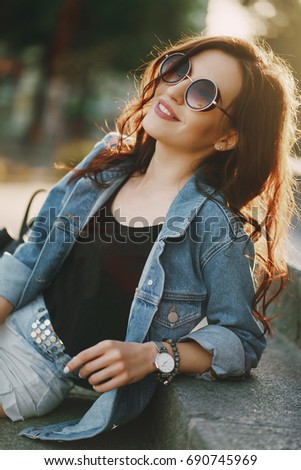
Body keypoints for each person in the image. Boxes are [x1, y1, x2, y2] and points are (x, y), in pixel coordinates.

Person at [0, 34, 299, 442]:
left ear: (228, 137)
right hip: (11, 315)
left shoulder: (217, 229)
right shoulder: (110, 160)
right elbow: (35, 250)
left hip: (37, 368)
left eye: (203, 93)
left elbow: (241, 340)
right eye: (178, 70)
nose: (174, 91)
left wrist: (155, 356)